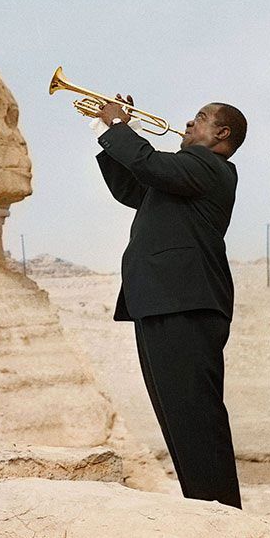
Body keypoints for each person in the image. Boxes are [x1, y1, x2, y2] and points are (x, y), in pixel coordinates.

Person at [93, 93, 247, 509]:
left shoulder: (210, 167)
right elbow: (132, 186)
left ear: (222, 134)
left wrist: (120, 128)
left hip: (185, 303)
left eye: (199, 118)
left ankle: (222, 516)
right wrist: (113, 131)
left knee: (196, 416)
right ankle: (207, 509)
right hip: (160, 302)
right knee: (178, 417)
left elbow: (150, 165)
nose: (188, 123)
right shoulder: (182, 175)